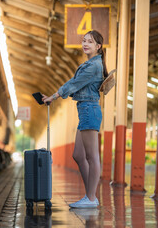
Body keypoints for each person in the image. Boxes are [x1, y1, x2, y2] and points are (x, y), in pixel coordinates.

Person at [42, 30, 108, 208]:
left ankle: (91, 198)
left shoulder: (94, 66)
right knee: (78, 155)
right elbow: (75, 82)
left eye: (90, 42)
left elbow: (74, 84)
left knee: (92, 156)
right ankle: (90, 196)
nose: (85, 44)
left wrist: (53, 96)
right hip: (84, 110)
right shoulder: (90, 64)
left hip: (89, 109)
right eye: (84, 40)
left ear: (98, 47)